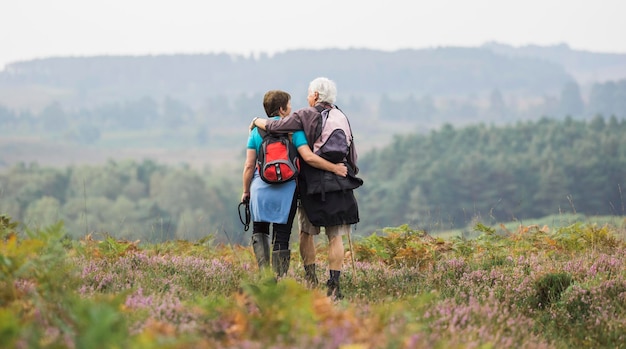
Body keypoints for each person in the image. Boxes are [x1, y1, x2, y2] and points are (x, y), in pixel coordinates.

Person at [250, 77, 361, 299]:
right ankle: (334, 285)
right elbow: (352, 153)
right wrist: (343, 171)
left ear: (316, 96)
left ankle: (311, 281)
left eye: (310, 94)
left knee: (306, 232)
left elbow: (274, 126)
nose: (308, 97)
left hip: (312, 184)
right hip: (339, 184)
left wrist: (256, 120)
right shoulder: (342, 116)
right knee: (335, 236)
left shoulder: (304, 115)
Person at [242, 90, 347, 278]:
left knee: (260, 231)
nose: (291, 107)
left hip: (260, 189)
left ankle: (266, 277)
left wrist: (245, 191)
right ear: (282, 109)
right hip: (287, 189)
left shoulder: (255, 132)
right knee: (282, 235)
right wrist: (335, 168)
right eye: (289, 105)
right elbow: (307, 156)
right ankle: (279, 278)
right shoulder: (294, 131)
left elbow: (249, 165)